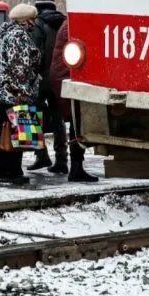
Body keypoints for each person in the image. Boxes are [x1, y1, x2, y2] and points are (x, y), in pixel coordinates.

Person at [0, 4, 41, 185]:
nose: (34, 23)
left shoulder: (4, 34)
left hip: (1, 92)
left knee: (5, 130)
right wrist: (24, 92)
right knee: (21, 133)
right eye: (33, 19)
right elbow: (21, 68)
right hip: (15, 92)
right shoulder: (20, 36)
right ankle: (13, 172)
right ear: (26, 21)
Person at [49, 20, 98, 183]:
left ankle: (75, 167)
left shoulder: (67, 24)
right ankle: (76, 168)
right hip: (68, 78)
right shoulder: (73, 24)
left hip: (63, 76)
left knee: (76, 124)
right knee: (78, 124)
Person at [27, 0, 68, 174]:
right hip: (59, 77)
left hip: (41, 78)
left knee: (31, 114)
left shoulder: (38, 25)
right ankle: (62, 159)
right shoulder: (64, 23)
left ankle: (41, 155)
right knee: (58, 119)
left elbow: (35, 52)